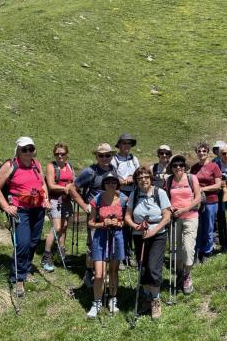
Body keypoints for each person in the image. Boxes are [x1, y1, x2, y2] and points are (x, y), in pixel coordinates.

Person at [0, 137, 51, 297]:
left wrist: (45, 199)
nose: (27, 152)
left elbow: (42, 184)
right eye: (24, 149)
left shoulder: (36, 165)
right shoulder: (10, 166)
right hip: (20, 210)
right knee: (23, 243)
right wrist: (6, 206)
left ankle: (25, 268)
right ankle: (17, 279)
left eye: (30, 149)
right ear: (18, 150)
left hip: (38, 209)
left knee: (33, 242)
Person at [124, 166, 171, 320]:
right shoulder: (134, 194)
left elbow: (167, 216)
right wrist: (135, 226)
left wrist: (154, 230)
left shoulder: (160, 193)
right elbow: (127, 216)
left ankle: (156, 300)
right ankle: (146, 297)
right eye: (140, 178)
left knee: (153, 268)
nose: (143, 180)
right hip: (139, 235)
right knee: (142, 267)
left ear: (151, 178)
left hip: (157, 235)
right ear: (136, 181)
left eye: (146, 177)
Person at [69, 143, 117, 287]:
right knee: (93, 244)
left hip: (111, 212)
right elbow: (72, 188)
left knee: (109, 243)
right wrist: (84, 206)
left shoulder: (113, 170)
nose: (104, 158)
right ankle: (90, 272)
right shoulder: (90, 171)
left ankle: (105, 272)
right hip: (95, 214)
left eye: (107, 155)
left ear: (111, 156)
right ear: (96, 156)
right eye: (101, 155)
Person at [86, 172, 128, 319]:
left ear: (117, 183)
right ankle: (97, 302)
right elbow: (91, 223)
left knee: (114, 271)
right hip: (100, 236)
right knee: (99, 274)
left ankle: (112, 299)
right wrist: (102, 223)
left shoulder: (123, 199)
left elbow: (126, 221)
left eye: (114, 181)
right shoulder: (96, 200)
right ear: (104, 183)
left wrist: (119, 223)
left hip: (117, 236)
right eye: (108, 181)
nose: (111, 184)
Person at [165, 155, 201, 294]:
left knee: (188, 248)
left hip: (190, 217)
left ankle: (187, 275)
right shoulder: (168, 181)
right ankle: (180, 273)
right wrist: (171, 209)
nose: (178, 167)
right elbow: (166, 199)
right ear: (171, 168)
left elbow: (198, 197)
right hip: (175, 219)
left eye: (181, 165)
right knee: (175, 250)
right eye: (175, 165)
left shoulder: (192, 178)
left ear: (185, 166)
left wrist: (184, 209)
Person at [41, 143, 75, 272]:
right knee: (56, 227)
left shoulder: (69, 166)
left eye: (62, 153)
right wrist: (66, 188)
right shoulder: (51, 166)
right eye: (57, 154)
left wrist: (72, 189)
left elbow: (73, 181)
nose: (60, 156)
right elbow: (50, 185)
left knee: (65, 226)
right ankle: (46, 256)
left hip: (67, 200)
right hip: (55, 200)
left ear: (67, 154)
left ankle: (61, 253)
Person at [111, 133, 140, 269]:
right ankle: (120, 256)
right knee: (121, 224)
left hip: (133, 193)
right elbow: (112, 178)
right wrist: (123, 181)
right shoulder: (114, 160)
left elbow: (139, 175)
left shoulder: (134, 159)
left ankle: (129, 254)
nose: (127, 146)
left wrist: (132, 178)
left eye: (129, 143)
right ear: (120, 145)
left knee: (130, 224)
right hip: (120, 193)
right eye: (124, 143)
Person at [190, 142, 222, 262]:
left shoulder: (214, 167)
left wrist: (203, 189)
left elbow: (218, 185)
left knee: (209, 227)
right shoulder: (194, 168)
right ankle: (197, 251)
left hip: (211, 201)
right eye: (199, 151)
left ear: (208, 152)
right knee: (197, 227)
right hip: (197, 202)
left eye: (204, 151)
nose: (202, 153)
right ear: (196, 153)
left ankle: (207, 252)